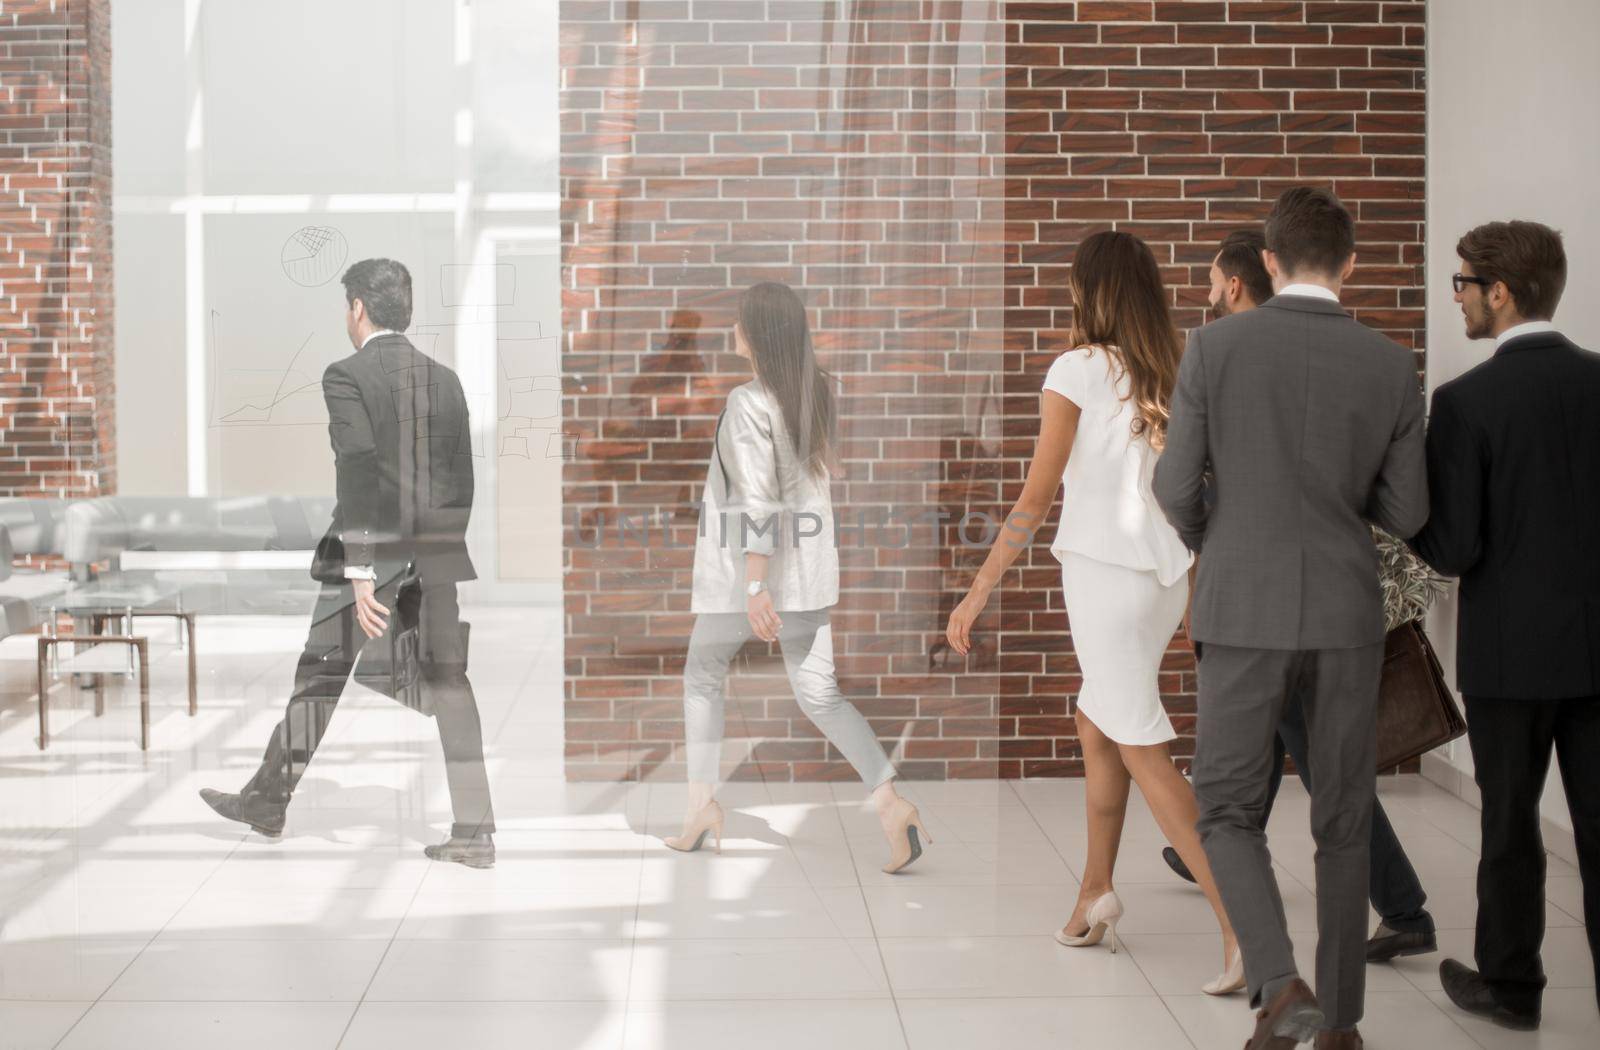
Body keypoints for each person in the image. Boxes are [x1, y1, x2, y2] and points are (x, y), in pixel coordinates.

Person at [1153, 188, 1428, 1050]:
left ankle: (1279, 984)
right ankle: (1339, 1024)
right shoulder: (1391, 364)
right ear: (1351, 263)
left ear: (1267, 262)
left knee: (1227, 809)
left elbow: (1172, 486)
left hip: (1243, 605)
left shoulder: (1214, 347)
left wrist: (1224, 538)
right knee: (1343, 816)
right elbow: (1410, 511)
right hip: (1347, 611)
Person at [946, 230, 1242, 996]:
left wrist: (977, 591)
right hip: (1163, 579)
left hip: (1106, 578)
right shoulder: (1177, 367)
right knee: (1098, 720)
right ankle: (1094, 893)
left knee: (1139, 739)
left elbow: (1036, 499)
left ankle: (1246, 934)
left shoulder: (1075, 369)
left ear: (1090, 293)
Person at [200, 258, 497, 868]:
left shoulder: (347, 375)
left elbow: (357, 466)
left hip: (371, 559)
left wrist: (363, 568)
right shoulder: (446, 380)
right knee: (450, 680)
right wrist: (434, 551)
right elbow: (463, 477)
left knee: (320, 679)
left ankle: (267, 802)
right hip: (437, 555)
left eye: (345, 305)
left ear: (358, 307)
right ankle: (475, 833)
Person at [1410, 220, 1600, 1030]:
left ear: (1501, 292)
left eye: (1461, 283)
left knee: (1509, 827)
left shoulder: (1464, 403)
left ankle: (1513, 989)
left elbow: (1452, 547)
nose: (1454, 297)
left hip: (1509, 657)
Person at [670, 282, 928, 873]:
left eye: (738, 322)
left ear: (757, 333)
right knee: (821, 696)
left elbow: (757, 499)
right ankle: (891, 804)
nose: (731, 331)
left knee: (703, 675)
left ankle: (700, 809)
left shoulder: (748, 402)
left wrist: (755, 586)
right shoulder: (812, 394)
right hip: (808, 576)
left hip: (753, 579)